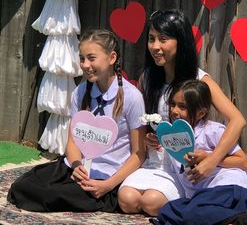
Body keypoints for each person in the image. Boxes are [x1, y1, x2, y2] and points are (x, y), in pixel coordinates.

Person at [118, 9, 247, 216]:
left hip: (182, 168)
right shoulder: (147, 78)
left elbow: (237, 120)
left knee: (152, 203)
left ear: (181, 41)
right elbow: (145, 125)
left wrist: (212, 160)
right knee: (127, 201)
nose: (155, 46)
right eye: (151, 39)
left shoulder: (199, 80)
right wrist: (150, 140)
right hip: (153, 163)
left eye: (163, 39)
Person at [7, 29, 147, 212]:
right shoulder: (80, 92)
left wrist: (108, 185)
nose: (85, 65)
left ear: (112, 58)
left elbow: (139, 154)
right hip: (78, 168)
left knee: (51, 195)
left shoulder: (132, 97)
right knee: (23, 185)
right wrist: (76, 165)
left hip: (107, 175)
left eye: (91, 58)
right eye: (82, 59)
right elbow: (72, 142)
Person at [152, 80, 247, 225]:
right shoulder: (172, 138)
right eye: (172, 104)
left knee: (185, 213)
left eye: (182, 107)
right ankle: (234, 221)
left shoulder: (213, 131)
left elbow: (244, 162)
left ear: (201, 113)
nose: (174, 111)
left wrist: (209, 157)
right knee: (169, 210)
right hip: (207, 200)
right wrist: (155, 142)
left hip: (229, 188)